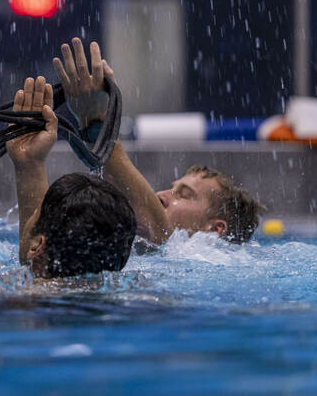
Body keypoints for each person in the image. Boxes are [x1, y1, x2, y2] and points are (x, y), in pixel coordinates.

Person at [52, 37, 263, 245]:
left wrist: (95, 122)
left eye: (185, 195)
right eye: (173, 188)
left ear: (215, 230)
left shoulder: (199, 262)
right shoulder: (131, 248)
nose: (160, 195)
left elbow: (158, 226)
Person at [5, 74, 136, 278]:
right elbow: (40, 256)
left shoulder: (14, 300)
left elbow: (37, 265)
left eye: (36, 212)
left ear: (38, 246)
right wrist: (29, 164)